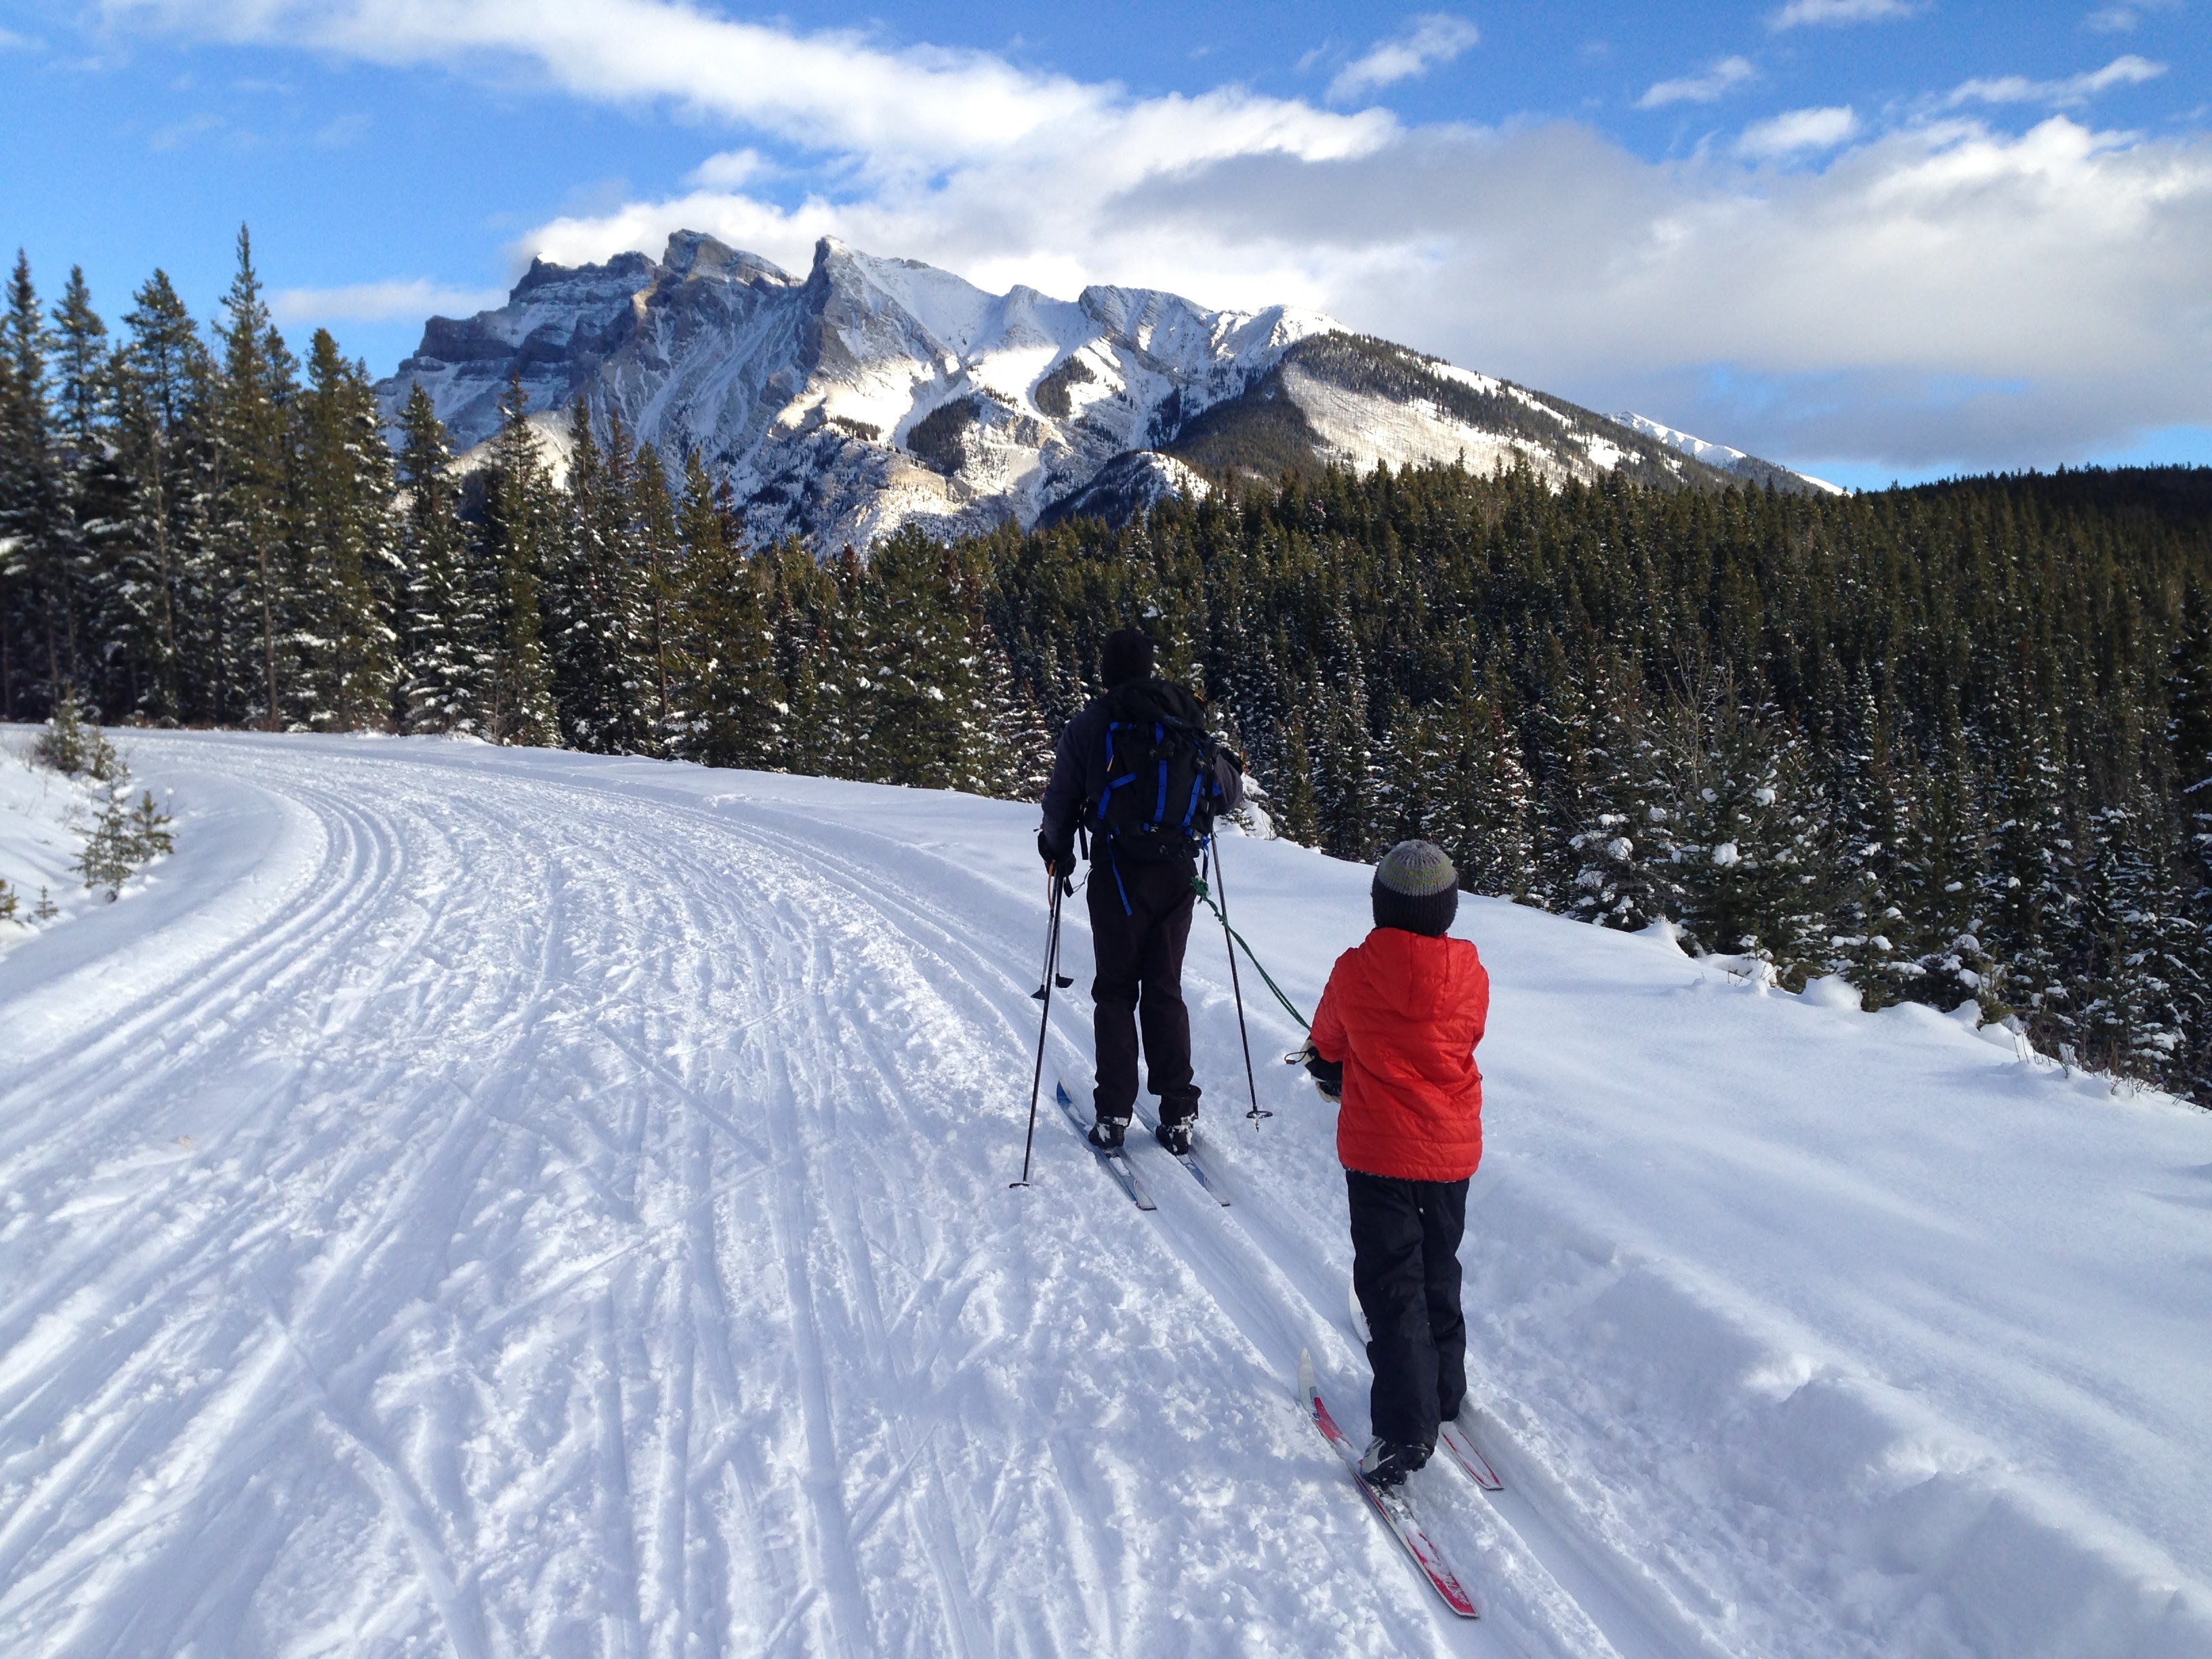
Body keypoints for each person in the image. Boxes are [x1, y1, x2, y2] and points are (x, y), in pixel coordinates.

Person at [1304, 839, 1490, 1490]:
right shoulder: (1470, 971)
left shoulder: (1355, 970)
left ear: (1379, 905)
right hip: (1452, 1149)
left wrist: (1330, 1066)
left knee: (1391, 1281)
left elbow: (1327, 1042)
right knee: (1440, 1266)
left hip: (1380, 1153)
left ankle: (1407, 1431)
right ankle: (1443, 1392)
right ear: (1449, 910)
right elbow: (1463, 1036)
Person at [1037, 628, 1243, 1155]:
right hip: (1177, 872)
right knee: (1165, 988)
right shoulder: (1179, 715)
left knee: (1115, 991)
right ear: (1149, 666)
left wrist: (1055, 849)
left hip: (1117, 874)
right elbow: (1227, 790)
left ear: (1106, 671)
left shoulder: (1091, 724)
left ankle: (1113, 1114)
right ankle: (1178, 1113)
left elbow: (1061, 800)